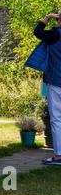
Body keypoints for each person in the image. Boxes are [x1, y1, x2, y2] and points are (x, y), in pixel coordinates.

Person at [33, 11, 61, 165]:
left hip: (56, 82)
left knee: (57, 120)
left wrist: (46, 18)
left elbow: (37, 32)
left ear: (58, 20)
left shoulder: (54, 35)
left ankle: (58, 156)